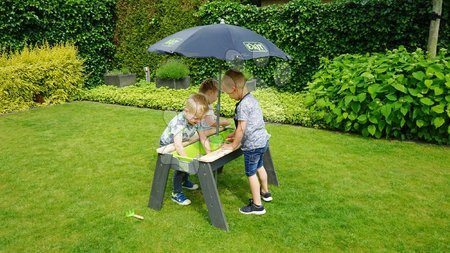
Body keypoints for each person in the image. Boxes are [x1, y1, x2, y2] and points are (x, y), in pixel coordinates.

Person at [221, 69, 272, 215]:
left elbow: (242, 129)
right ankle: (266, 193)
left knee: (250, 173)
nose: (229, 96)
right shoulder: (251, 99)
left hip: (252, 145)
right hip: (263, 141)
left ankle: (257, 206)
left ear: (234, 89)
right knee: (260, 166)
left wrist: (233, 145)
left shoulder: (242, 106)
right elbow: (247, 126)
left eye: (228, 93)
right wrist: (233, 133)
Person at [159, 93, 211, 206]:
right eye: (196, 118)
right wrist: (187, 161)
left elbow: (203, 137)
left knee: (187, 160)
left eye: (200, 118)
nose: (198, 121)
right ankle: (176, 193)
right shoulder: (179, 123)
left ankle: (184, 181)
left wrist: (209, 154)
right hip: (168, 146)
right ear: (186, 111)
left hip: (182, 142)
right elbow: (177, 146)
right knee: (181, 167)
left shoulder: (197, 120)